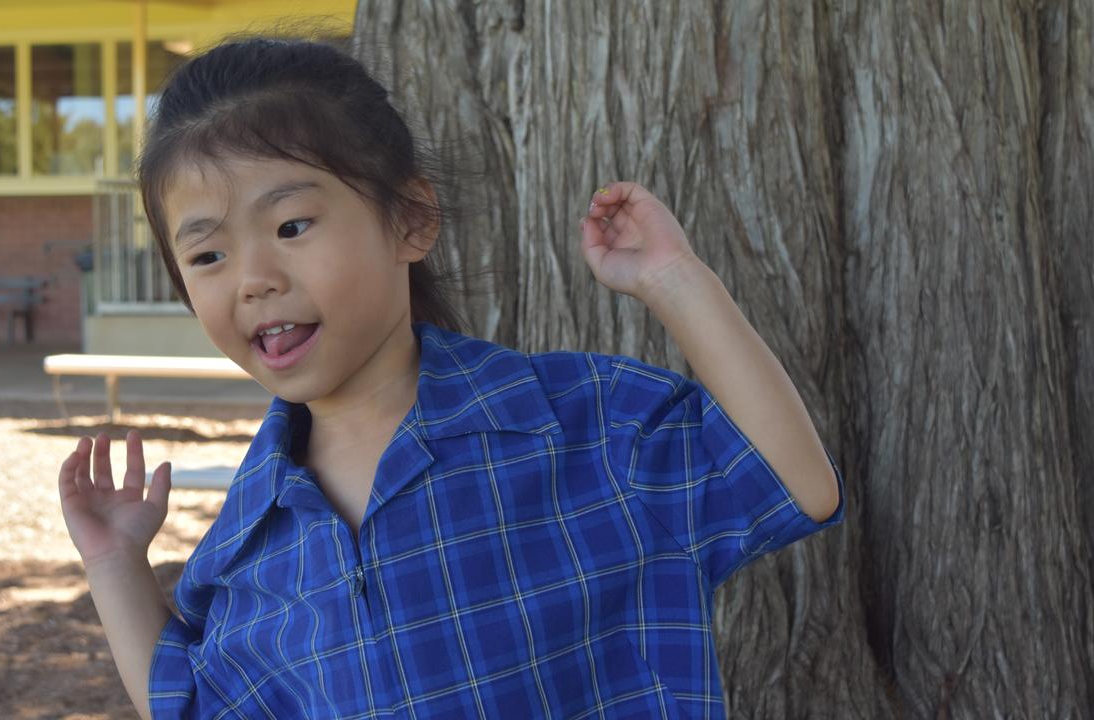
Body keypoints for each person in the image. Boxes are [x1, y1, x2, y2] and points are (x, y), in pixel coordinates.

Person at [57, 33, 845, 720]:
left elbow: (788, 480)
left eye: (291, 225)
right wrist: (115, 565)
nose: (252, 279)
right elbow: (190, 705)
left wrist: (675, 280)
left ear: (410, 221)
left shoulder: (578, 427)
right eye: (207, 255)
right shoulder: (245, 551)